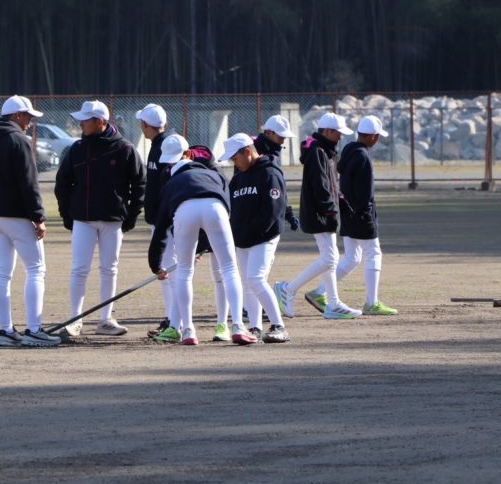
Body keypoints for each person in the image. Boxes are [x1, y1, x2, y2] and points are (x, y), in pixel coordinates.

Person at [149, 135, 257, 346]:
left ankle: (188, 330)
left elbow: (161, 228)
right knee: (229, 268)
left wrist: (155, 265)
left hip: (185, 211)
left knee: (184, 271)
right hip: (216, 209)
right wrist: (206, 245)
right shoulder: (214, 174)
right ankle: (237, 325)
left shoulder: (171, 183)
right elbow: (227, 209)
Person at [0, 95, 60, 348]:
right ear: (17, 115)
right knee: (36, 269)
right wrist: (38, 217)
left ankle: (6, 331)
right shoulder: (18, 140)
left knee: (2, 272)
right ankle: (34, 330)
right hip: (17, 216)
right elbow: (29, 182)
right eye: (28, 117)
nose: (30, 122)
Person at [55, 100, 145, 337]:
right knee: (79, 269)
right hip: (82, 219)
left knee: (109, 269)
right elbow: (63, 182)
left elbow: (139, 184)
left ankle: (105, 320)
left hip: (112, 220)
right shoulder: (77, 148)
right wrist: (66, 213)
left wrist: (132, 215)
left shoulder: (125, 148)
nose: (81, 124)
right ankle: (75, 320)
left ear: (100, 122)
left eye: (85, 120)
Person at [274, 112, 362, 320]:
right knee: (330, 259)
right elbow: (320, 184)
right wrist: (330, 208)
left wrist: (340, 200)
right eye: (338, 133)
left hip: (323, 211)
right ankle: (288, 289)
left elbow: (329, 183)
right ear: (328, 131)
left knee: (329, 259)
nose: (340, 137)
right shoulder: (318, 152)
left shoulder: (324, 151)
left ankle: (333, 304)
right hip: (321, 213)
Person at [222, 133, 290, 343]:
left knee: (256, 279)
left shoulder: (270, 173)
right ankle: (255, 328)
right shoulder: (238, 179)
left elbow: (273, 209)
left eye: (235, 158)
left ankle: (279, 326)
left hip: (264, 237)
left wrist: (253, 231)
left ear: (247, 152)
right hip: (242, 240)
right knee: (247, 283)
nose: (234, 163)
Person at [327, 115, 398, 315]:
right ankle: (371, 302)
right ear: (372, 136)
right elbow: (366, 193)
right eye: (377, 136)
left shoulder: (349, 150)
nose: (377, 140)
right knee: (374, 254)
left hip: (346, 212)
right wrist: (366, 215)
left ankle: (320, 291)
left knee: (352, 258)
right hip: (361, 214)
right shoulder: (363, 156)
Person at [136, 103, 178, 338]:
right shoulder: (157, 145)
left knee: (169, 270)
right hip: (161, 219)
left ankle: (175, 320)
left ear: (144, 125)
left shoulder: (166, 147)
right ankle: (172, 317)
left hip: (167, 221)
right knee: (167, 272)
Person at [253, 114, 300, 233]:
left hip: (271, 218)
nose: (283, 140)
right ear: (269, 133)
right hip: (253, 217)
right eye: (281, 136)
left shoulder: (273, 153)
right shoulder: (251, 152)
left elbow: (278, 186)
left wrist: (288, 213)